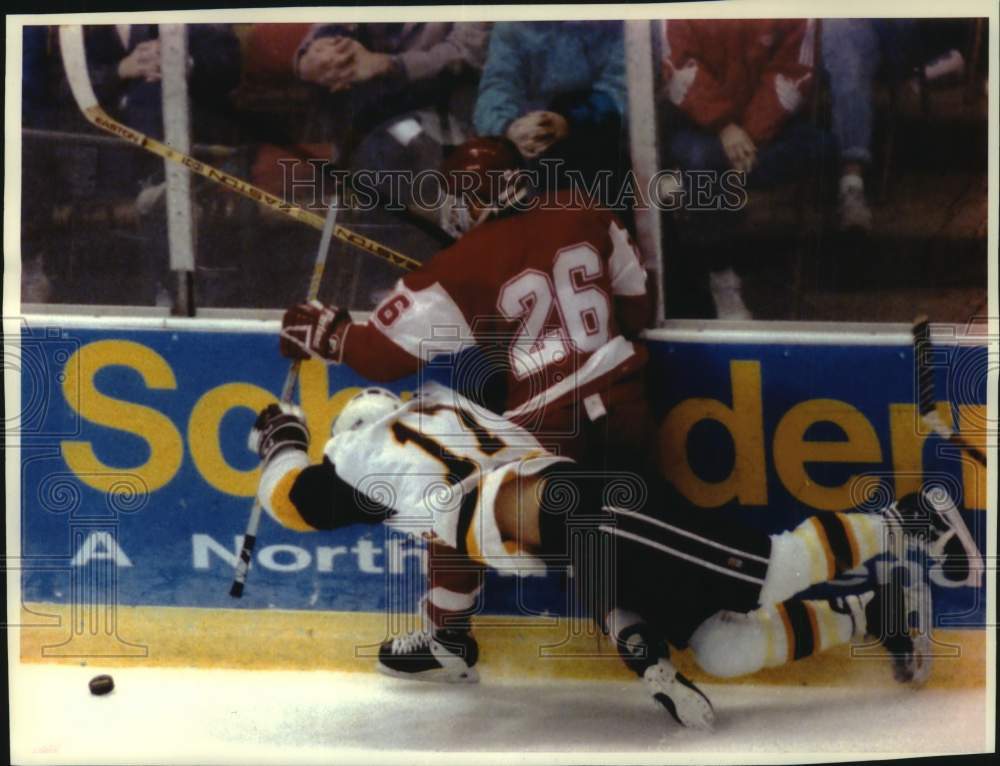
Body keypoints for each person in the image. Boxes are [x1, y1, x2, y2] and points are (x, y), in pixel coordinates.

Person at [248, 385, 979, 729]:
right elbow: (513, 553)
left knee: (769, 571)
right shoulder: (452, 449)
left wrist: (280, 433)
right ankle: (880, 609)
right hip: (582, 519)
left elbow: (290, 499)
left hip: (590, 511)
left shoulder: (368, 452)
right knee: (722, 648)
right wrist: (647, 658)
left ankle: (908, 519)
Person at [278, 136, 656, 680]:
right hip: (629, 404)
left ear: (466, 198)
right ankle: (646, 631)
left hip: (549, 430)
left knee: (453, 496)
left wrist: (325, 332)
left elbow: (381, 357)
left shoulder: (458, 268)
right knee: (623, 534)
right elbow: (641, 305)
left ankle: (447, 637)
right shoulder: (586, 208)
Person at [660, 19, 830, 319]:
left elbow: (793, 72)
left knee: (821, 146)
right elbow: (678, 68)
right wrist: (724, 126)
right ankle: (722, 278)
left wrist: (748, 134)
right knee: (701, 162)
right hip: (701, 126)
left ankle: (690, 187)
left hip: (765, 131)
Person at [294, 22, 491, 219]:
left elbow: (467, 52)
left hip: (436, 112)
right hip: (364, 114)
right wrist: (313, 58)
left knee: (392, 150)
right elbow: (326, 27)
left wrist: (389, 64)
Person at [474, 20, 627, 202]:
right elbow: (498, 85)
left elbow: (622, 91)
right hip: (533, 153)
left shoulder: (619, 23)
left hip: (608, 151)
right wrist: (507, 127)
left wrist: (568, 121)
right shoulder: (515, 24)